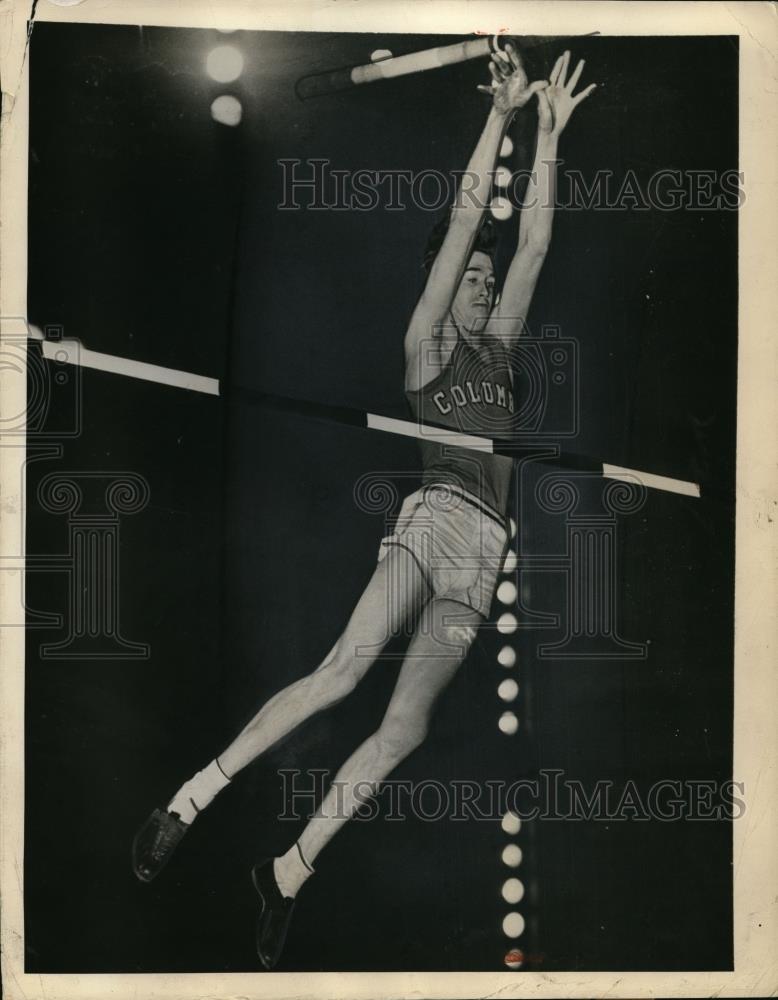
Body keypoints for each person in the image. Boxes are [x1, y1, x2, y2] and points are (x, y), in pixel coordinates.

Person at [132, 45, 595, 969]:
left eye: (488, 283)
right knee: (344, 671)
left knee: (407, 726)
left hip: (485, 553)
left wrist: (550, 134)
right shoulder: (426, 345)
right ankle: (188, 798)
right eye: (471, 277)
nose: (485, 284)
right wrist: (499, 119)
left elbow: (534, 242)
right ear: (442, 282)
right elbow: (469, 227)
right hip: (433, 523)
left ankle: (289, 872)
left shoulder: (502, 349)